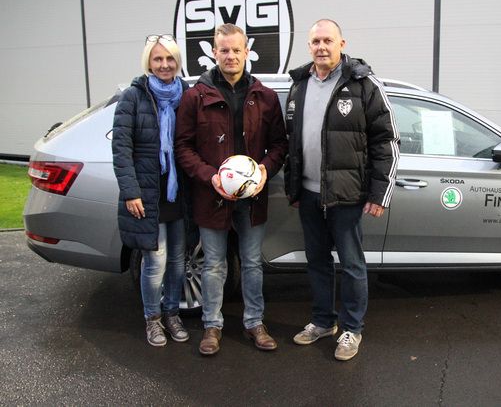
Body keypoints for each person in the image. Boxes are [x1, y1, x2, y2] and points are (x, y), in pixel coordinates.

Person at [284, 19, 399, 361]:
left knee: (351, 264)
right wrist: (293, 187)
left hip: (347, 194)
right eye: (316, 41)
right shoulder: (299, 84)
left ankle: (351, 329)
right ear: (309, 46)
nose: (321, 47)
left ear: (341, 44)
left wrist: (379, 193)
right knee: (317, 262)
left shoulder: (363, 84)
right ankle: (323, 322)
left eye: (328, 40)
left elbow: (386, 141)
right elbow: (291, 140)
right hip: (309, 194)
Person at [175, 24, 288, 355]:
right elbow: (183, 147)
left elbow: (279, 145)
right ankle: (212, 326)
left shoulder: (265, 97)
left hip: (253, 197)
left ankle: (254, 322)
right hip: (212, 196)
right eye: (224, 50)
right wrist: (210, 177)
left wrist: (264, 169)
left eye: (236, 50)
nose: (231, 56)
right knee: (213, 264)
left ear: (246, 51)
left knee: (252, 262)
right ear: (214, 52)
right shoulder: (195, 97)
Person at [112, 34, 191, 347]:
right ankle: (153, 319)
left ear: (177, 62)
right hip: (147, 193)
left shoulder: (186, 94)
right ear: (149, 61)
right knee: (155, 261)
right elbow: (121, 149)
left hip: (178, 193)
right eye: (158, 59)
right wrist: (131, 191)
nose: (164, 64)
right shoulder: (133, 97)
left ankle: (172, 313)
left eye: (170, 58)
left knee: (178, 261)